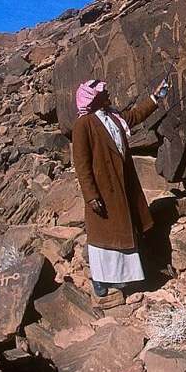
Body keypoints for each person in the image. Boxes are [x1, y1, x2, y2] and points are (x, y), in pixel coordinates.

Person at [71, 76, 169, 308]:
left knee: (123, 230)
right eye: (103, 94)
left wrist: (156, 98)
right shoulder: (83, 125)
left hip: (121, 185)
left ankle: (125, 279)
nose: (108, 95)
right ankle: (100, 279)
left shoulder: (113, 117)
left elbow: (134, 116)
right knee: (103, 236)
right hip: (103, 191)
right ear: (93, 99)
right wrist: (91, 195)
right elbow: (82, 164)